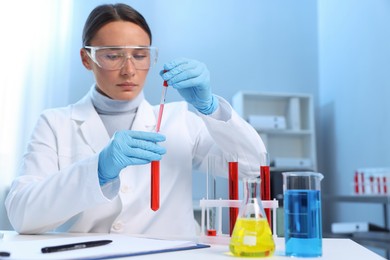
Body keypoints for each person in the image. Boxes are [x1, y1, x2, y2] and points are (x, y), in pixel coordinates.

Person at [5, 3, 266, 237]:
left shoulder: (180, 120)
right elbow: (22, 215)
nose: (129, 69)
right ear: (87, 58)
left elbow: (253, 168)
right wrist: (97, 170)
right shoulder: (55, 124)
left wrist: (210, 109)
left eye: (140, 56)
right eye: (113, 55)